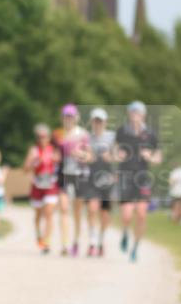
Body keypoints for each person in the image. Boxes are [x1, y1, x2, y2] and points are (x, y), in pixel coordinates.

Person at [116, 101, 162, 262]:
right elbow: (115, 151)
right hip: (126, 176)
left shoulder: (150, 134)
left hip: (143, 177)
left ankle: (135, 247)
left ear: (143, 115)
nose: (135, 115)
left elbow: (158, 157)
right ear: (129, 114)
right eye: (133, 112)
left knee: (142, 214)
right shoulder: (122, 132)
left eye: (138, 112)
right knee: (127, 215)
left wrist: (151, 157)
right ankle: (125, 233)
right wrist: (118, 155)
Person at [52, 104, 89, 256]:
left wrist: (80, 154)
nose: (68, 119)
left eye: (71, 116)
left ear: (76, 118)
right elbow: (54, 154)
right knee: (64, 208)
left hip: (80, 173)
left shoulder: (83, 134)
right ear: (62, 118)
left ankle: (76, 241)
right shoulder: (57, 134)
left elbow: (90, 156)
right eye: (66, 116)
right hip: (63, 174)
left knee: (77, 211)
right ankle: (65, 244)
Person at [23, 124, 60, 254]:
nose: (42, 139)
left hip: (50, 184)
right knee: (38, 214)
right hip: (37, 185)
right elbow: (25, 169)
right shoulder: (33, 150)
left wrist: (56, 161)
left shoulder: (54, 150)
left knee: (49, 213)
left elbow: (60, 165)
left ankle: (46, 241)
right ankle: (39, 235)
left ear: (49, 137)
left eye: (44, 136)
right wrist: (32, 162)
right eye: (39, 137)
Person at [84, 108, 116, 256]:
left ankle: (101, 241)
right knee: (91, 209)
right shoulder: (86, 138)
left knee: (104, 214)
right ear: (91, 122)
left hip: (107, 179)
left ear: (105, 122)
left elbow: (119, 157)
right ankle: (92, 241)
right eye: (95, 121)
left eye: (100, 121)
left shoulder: (112, 137)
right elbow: (84, 156)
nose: (98, 124)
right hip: (91, 178)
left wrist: (109, 156)